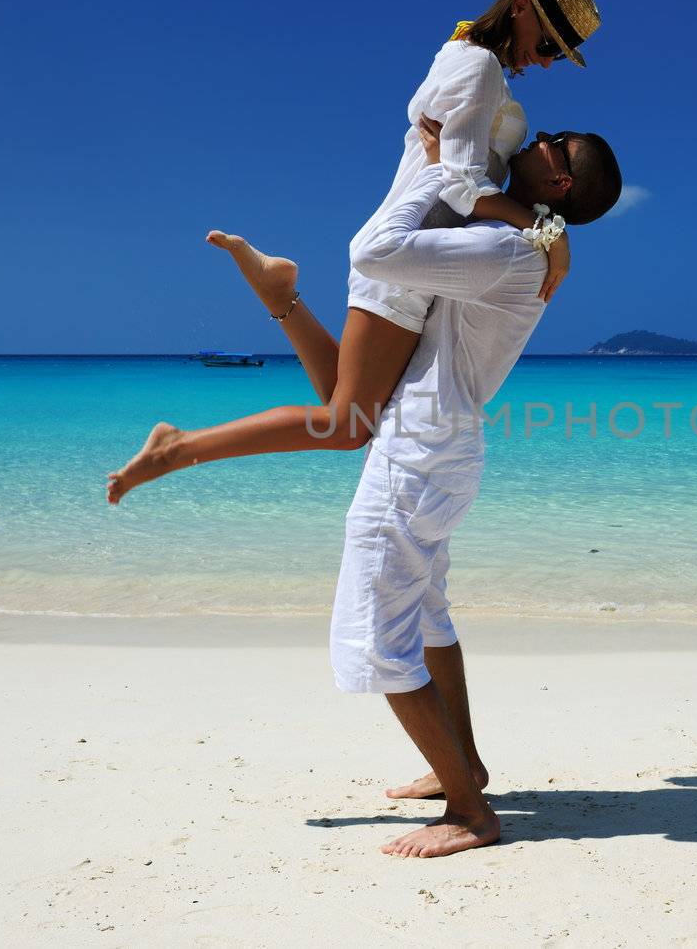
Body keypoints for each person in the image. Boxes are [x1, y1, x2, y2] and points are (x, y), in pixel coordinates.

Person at [111, 118, 623, 857]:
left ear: (561, 182)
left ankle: (473, 813)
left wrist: (441, 166)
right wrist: (532, 217)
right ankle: (465, 768)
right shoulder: (522, 240)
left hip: (421, 453)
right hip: (437, 444)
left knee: (379, 635)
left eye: (553, 143)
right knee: (425, 616)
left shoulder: (505, 249)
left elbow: (379, 252)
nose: (539, 136)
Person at [198, 0, 601, 468]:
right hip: (404, 254)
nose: (546, 61)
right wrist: (550, 232)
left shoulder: (471, 58)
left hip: (417, 251)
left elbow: (458, 176)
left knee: (349, 414)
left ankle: (280, 295)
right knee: (346, 427)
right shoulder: (477, 65)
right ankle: (180, 447)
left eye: (558, 56)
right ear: (522, 6)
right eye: (549, 44)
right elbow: (461, 187)